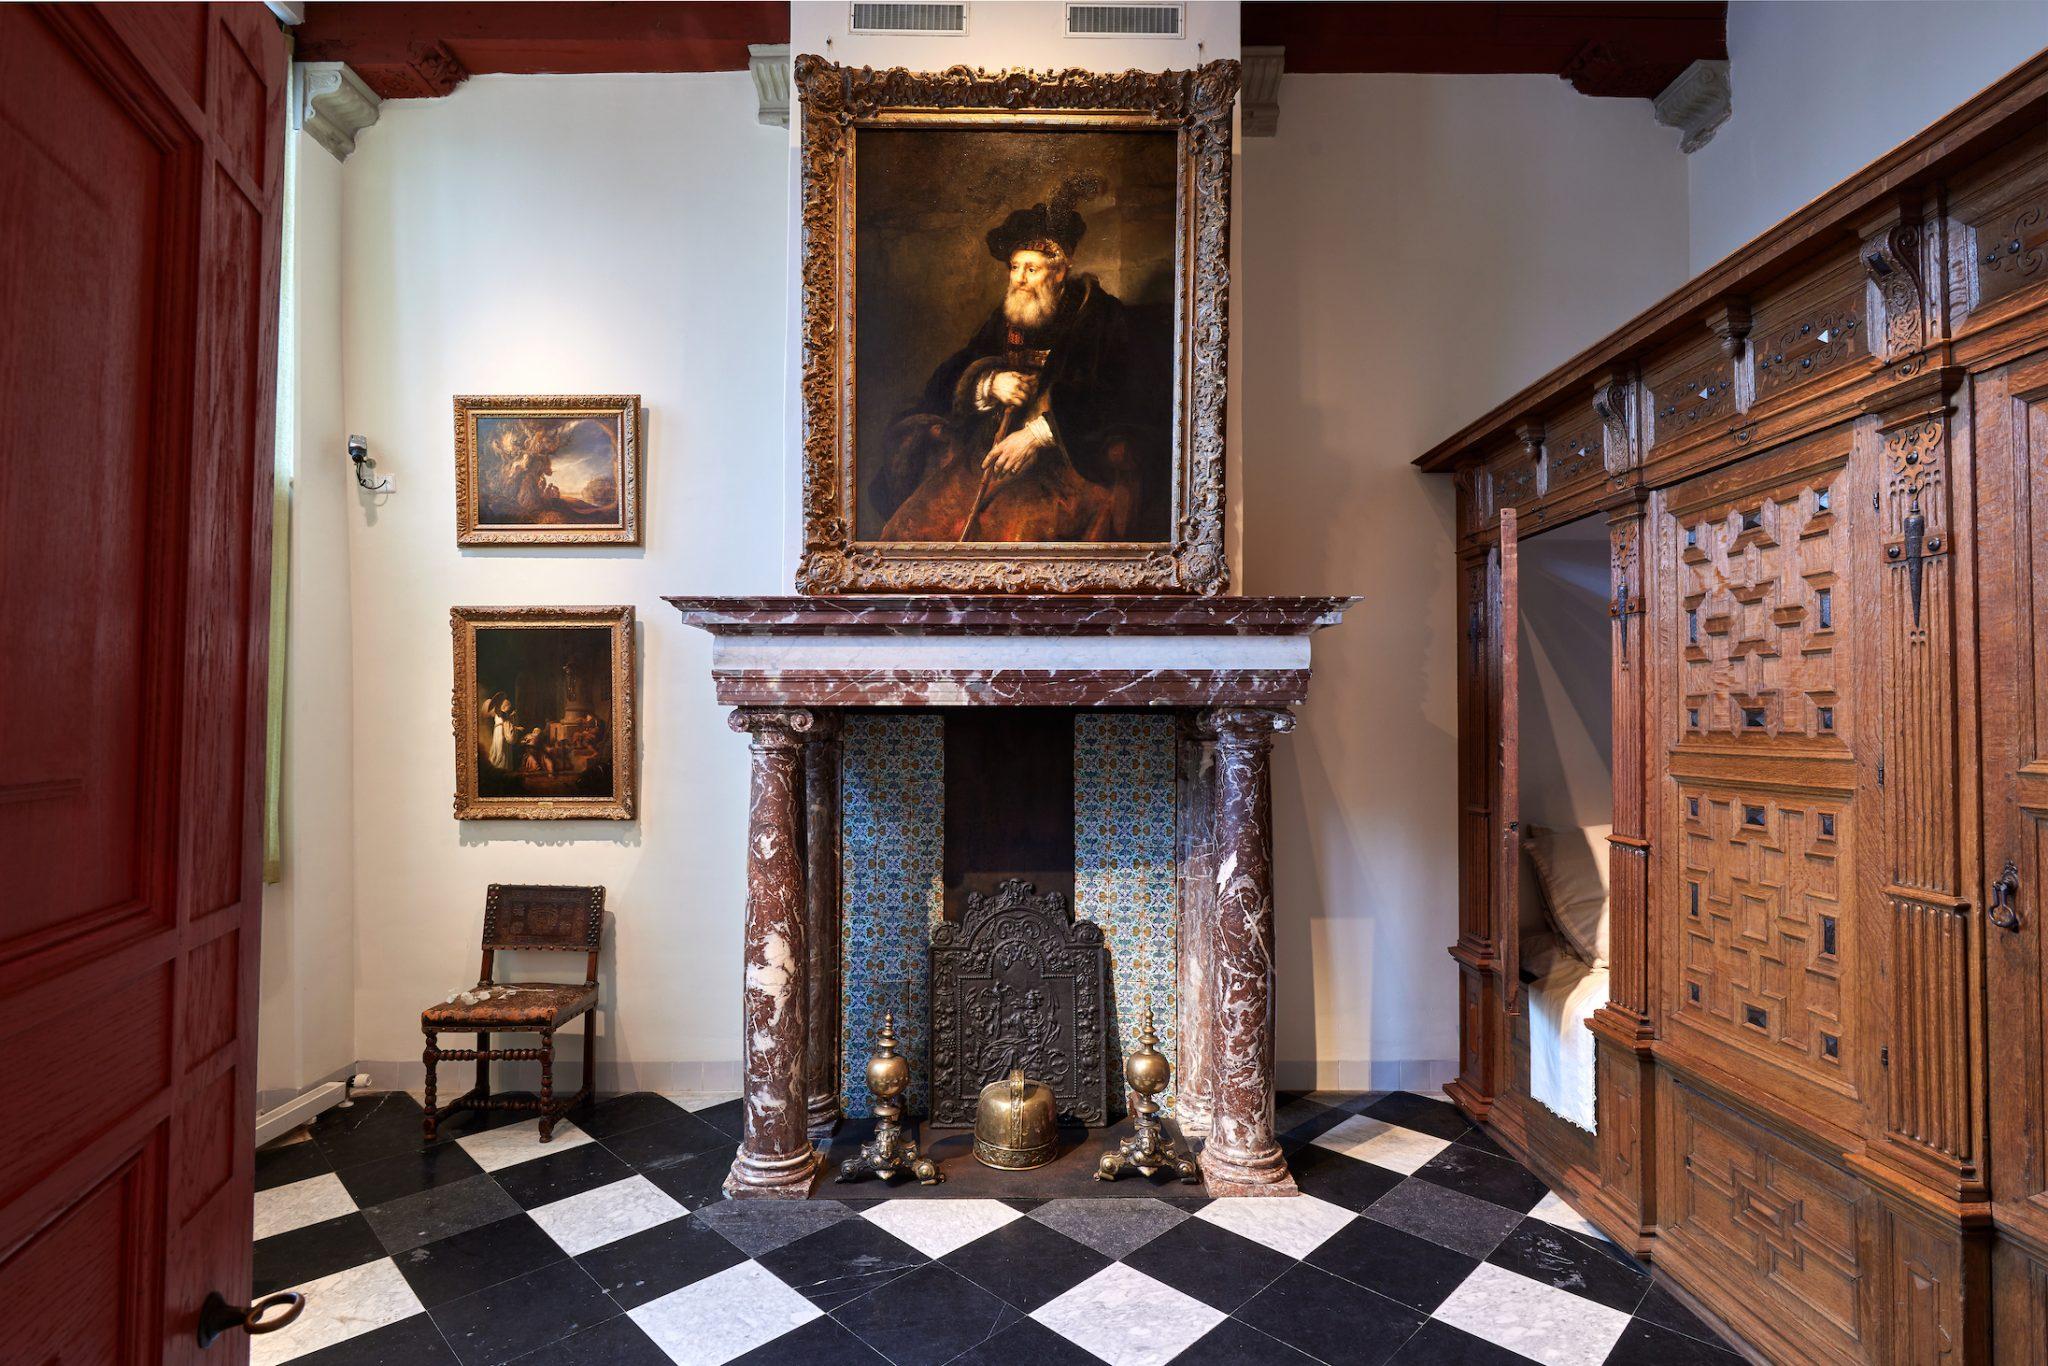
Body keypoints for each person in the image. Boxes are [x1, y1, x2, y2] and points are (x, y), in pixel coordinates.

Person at [870, 175, 1168, 543]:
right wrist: (988, 383)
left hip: (1068, 464)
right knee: (911, 528)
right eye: (1015, 267)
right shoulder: (1009, 315)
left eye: (1032, 268)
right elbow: (953, 371)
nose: (1020, 279)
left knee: (1007, 538)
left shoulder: (1099, 315)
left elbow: (1121, 398)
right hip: (991, 451)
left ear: (1059, 272)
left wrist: (1038, 434)